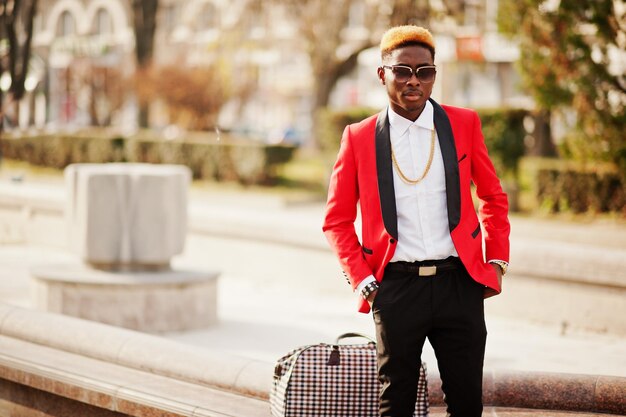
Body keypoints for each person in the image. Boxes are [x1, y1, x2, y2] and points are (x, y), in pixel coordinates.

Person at [322, 25, 510, 417]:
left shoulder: (463, 124)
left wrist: (497, 261)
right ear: (382, 73)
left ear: (434, 74)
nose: (414, 81)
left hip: (459, 284)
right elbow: (337, 221)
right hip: (395, 289)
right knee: (396, 405)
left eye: (424, 71)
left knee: (467, 403)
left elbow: (493, 196)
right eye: (402, 70)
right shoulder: (358, 137)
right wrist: (366, 282)